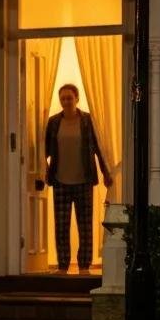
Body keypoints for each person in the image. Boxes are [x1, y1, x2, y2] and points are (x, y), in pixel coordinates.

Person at [44, 84, 112, 274]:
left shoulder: (88, 121)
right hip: (60, 181)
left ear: (77, 99)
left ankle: (84, 266)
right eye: (63, 98)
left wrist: (106, 173)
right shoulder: (54, 122)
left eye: (69, 98)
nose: (66, 101)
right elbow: (45, 149)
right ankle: (63, 265)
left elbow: (98, 148)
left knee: (85, 225)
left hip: (84, 180)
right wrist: (44, 170)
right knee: (61, 226)